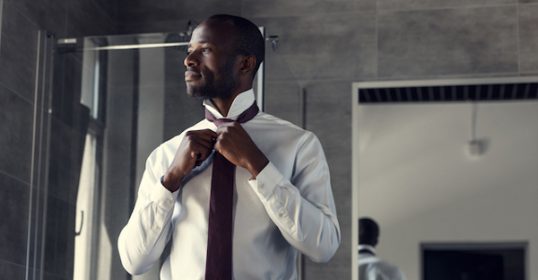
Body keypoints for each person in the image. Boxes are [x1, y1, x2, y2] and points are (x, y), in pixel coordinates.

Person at [118, 14, 340, 280]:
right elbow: (134, 261)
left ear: (245, 63)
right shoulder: (167, 154)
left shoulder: (299, 145)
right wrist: (171, 179)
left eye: (206, 50)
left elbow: (324, 246)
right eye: (190, 51)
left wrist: (259, 165)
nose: (188, 60)